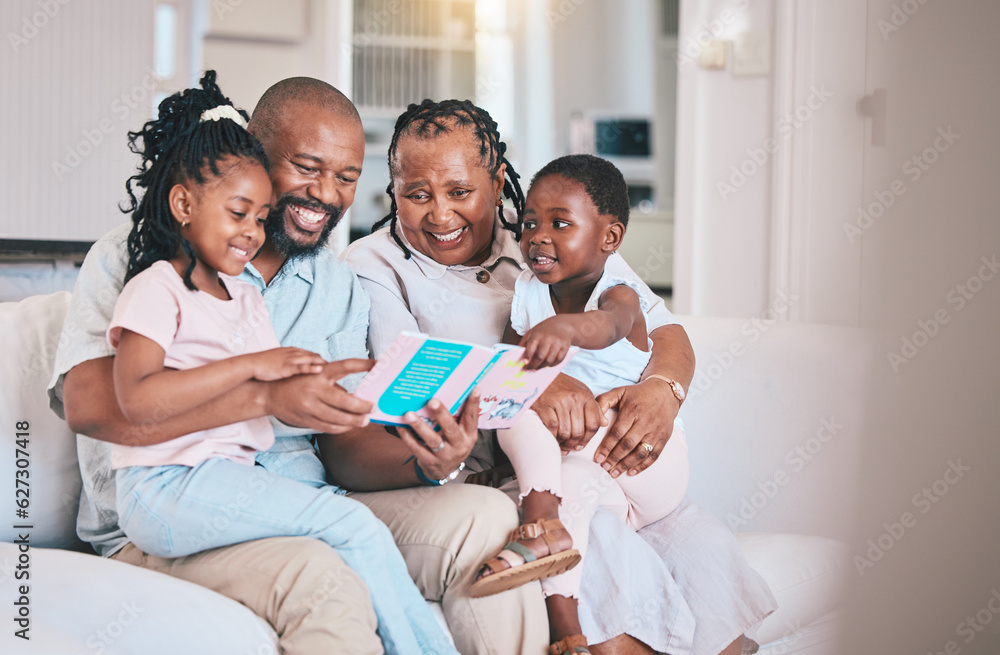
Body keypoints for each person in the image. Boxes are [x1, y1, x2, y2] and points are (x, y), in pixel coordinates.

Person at [49, 77, 548, 655]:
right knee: (318, 571)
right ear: (255, 157)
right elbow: (91, 404)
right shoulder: (141, 251)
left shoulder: (334, 282)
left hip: (305, 501)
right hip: (171, 523)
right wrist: (263, 398)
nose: (326, 196)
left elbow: (343, 448)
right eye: (307, 168)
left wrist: (429, 457)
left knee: (486, 516)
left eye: (346, 178)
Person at [343, 99, 778, 655]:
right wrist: (535, 382)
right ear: (394, 189)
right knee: (592, 532)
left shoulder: (539, 238)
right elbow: (415, 381)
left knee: (695, 540)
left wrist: (662, 391)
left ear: (498, 182)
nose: (440, 215)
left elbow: (660, 327)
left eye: (460, 192)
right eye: (417, 194)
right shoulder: (375, 266)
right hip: (502, 465)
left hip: (599, 445)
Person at [105, 72, 456, 654]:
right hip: (164, 490)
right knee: (350, 528)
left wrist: (385, 413)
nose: (250, 232)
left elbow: (293, 393)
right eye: (239, 212)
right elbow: (134, 401)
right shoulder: (156, 283)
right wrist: (263, 384)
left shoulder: (252, 294)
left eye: (346, 178)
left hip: (225, 483)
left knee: (350, 529)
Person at [468, 154, 691, 654]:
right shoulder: (528, 291)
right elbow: (509, 363)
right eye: (529, 223)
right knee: (517, 395)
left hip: (642, 458)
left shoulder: (619, 292)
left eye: (559, 224)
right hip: (591, 474)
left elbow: (608, 327)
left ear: (609, 239)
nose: (537, 236)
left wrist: (564, 329)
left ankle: (537, 520)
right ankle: (567, 630)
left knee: (525, 401)